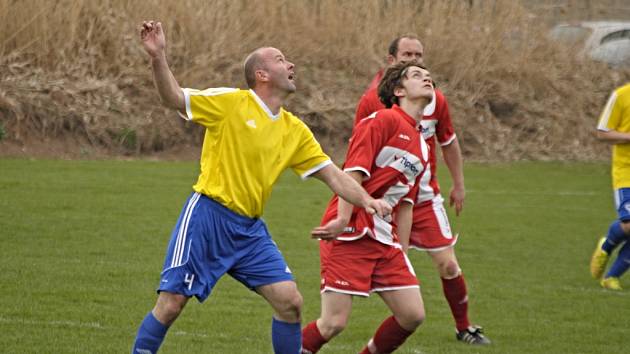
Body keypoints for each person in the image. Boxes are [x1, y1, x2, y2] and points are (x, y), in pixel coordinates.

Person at [132, 21, 392, 354]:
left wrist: (367, 201)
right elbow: (173, 98)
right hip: (208, 218)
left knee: (290, 303)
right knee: (171, 304)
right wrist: (158, 57)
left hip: (249, 231)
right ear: (262, 74)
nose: (291, 64)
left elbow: (333, 174)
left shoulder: (293, 130)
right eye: (281, 59)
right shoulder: (230, 103)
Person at [354, 35, 491, 345]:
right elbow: (358, 151)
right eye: (407, 54)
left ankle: (464, 327)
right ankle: (344, 308)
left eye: (418, 55)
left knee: (449, 264)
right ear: (391, 59)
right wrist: (363, 194)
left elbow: (448, 142)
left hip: (425, 198)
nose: (413, 59)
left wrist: (459, 184)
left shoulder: (434, 99)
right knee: (375, 261)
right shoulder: (371, 100)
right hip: (385, 200)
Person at [301, 61, 432, 354]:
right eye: (416, 75)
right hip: (350, 230)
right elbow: (353, 172)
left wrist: (404, 249)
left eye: (428, 76)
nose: (426, 78)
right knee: (333, 323)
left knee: (412, 314)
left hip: (385, 238)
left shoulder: (422, 145)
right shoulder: (382, 120)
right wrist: (342, 218)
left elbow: (406, 204)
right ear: (398, 90)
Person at [590, 83, 630, 291]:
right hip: (627, 172)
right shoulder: (621, 96)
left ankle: (612, 276)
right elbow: (603, 133)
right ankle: (607, 245)